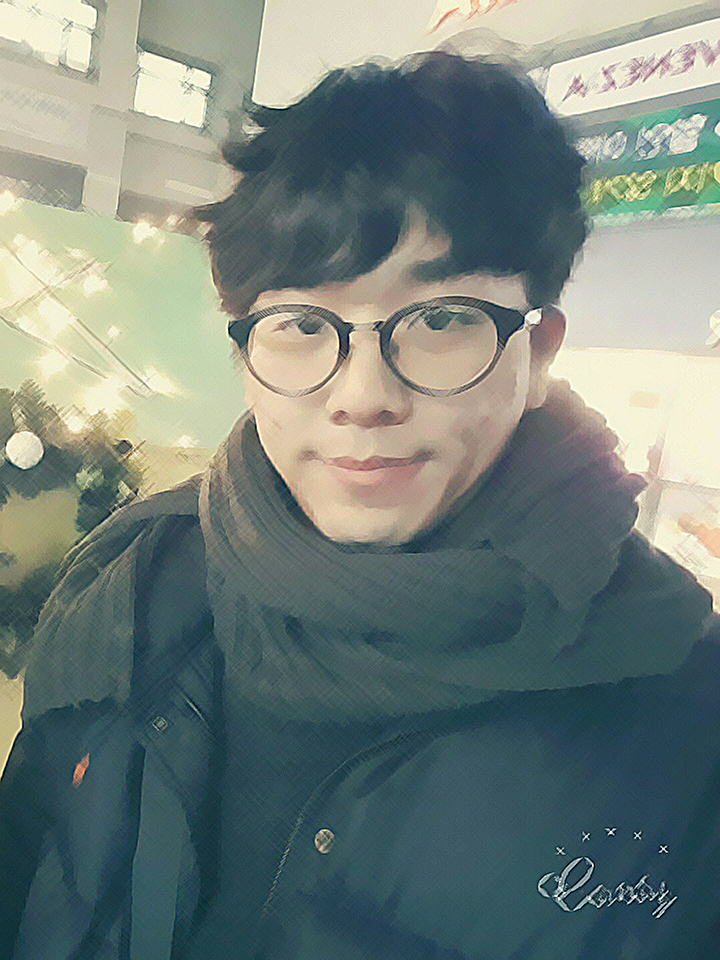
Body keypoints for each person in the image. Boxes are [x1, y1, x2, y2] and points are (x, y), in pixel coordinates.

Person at [1, 50, 719, 960]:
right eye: (304, 325)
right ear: (246, 355)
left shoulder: (682, 708)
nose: (364, 396)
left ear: (538, 353)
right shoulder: (135, 585)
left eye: (441, 319)